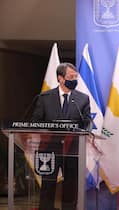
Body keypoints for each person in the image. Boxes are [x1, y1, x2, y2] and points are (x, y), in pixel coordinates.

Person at [31, 62, 91, 210]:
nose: (74, 80)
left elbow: (87, 123)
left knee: (71, 188)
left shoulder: (82, 99)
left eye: (76, 77)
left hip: (72, 150)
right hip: (49, 149)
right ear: (60, 78)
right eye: (71, 77)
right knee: (48, 186)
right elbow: (35, 121)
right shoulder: (44, 98)